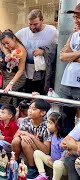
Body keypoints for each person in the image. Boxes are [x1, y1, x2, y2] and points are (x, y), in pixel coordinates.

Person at [16, 9, 58, 95]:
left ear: (42, 20)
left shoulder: (52, 31)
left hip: (43, 75)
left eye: (35, 24)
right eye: (30, 24)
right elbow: (8, 39)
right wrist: (9, 53)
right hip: (26, 74)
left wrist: (44, 51)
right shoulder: (23, 32)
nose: (32, 27)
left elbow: (59, 48)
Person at [12, 99, 52, 179]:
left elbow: (46, 150)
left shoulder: (46, 126)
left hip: (39, 152)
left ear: (43, 113)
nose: (30, 111)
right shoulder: (26, 121)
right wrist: (22, 135)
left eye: (34, 109)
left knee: (25, 142)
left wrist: (31, 136)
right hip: (26, 149)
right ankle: (15, 162)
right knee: (17, 140)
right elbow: (15, 136)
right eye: (29, 108)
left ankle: (32, 167)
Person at [59, 3, 80, 132]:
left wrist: (70, 54)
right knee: (65, 119)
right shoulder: (74, 35)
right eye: (75, 17)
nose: (76, 20)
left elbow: (67, 55)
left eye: (79, 16)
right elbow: (62, 56)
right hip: (66, 83)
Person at [33, 112, 69, 180]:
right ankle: (42, 175)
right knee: (37, 152)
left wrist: (56, 161)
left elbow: (66, 155)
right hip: (52, 161)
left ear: (58, 125)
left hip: (61, 166)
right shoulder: (52, 135)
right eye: (47, 122)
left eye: (50, 123)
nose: (47, 125)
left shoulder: (64, 140)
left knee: (57, 164)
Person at [0, 30, 27, 105]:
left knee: (6, 97)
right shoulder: (6, 46)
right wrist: (7, 53)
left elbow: (21, 70)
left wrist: (11, 83)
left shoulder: (21, 50)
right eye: (4, 44)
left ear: (14, 39)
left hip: (16, 77)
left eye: (7, 43)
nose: (6, 46)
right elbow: (2, 45)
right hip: (5, 74)